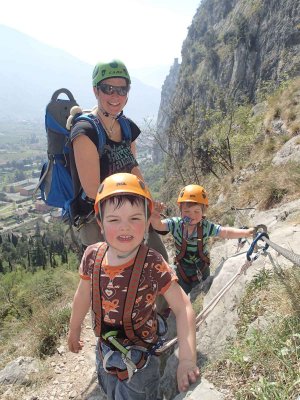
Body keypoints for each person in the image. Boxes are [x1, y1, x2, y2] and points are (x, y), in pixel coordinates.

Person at [67, 173, 200, 400]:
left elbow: (183, 307)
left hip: (141, 361)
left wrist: (187, 359)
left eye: (135, 218)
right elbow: (83, 295)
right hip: (105, 350)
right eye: (114, 220)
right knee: (110, 391)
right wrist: (74, 328)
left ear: (148, 221)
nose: (125, 228)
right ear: (100, 223)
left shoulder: (153, 264)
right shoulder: (92, 256)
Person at [69, 59, 168, 262]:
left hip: (130, 210)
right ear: (96, 91)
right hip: (98, 219)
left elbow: (132, 169)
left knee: (159, 262)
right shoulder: (85, 133)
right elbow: (93, 191)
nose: (116, 96)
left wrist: (148, 202)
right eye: (108, 89)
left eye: (122, 90)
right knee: (115, 283)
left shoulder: (126, 127)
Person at [151, 184, 254, 295]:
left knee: (203, 295)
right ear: (180, 209)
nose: (191, 216)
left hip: (202, 268)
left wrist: (247, 233)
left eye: (196, 211)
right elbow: (159, 226)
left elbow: (225, 232)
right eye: (187, 212)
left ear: (203, 211)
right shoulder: (176, 224)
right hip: (181, 270)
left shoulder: (206, 226)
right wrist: (154, 215)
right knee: (183, 296)